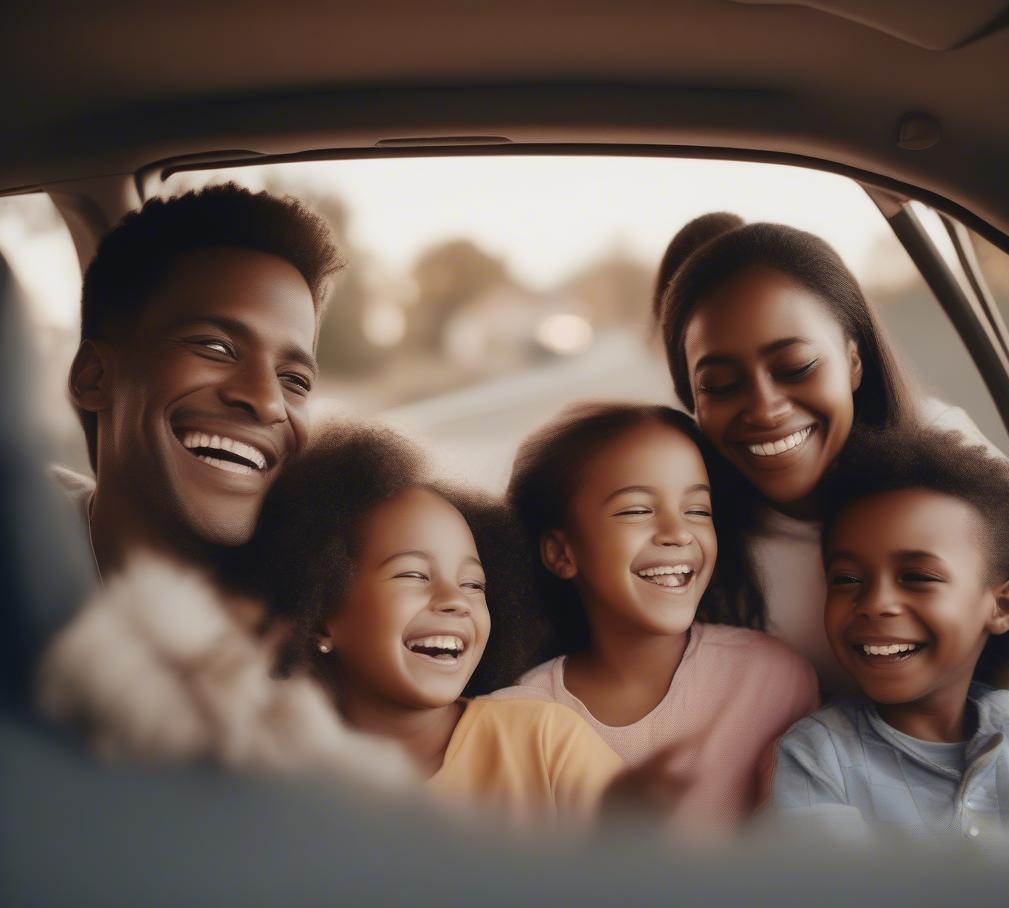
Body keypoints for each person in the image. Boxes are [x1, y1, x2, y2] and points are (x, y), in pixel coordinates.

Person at [657, 212, 1007, 696]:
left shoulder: (941, 451)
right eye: (719, 385)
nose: (764, 408)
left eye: (796, 367)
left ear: (854, 361)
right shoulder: (691, 530)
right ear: (692, 403)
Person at [236, 423, 626, 824]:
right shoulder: (273, 782)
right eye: (413, 575)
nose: (456, 600)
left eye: (474, 584)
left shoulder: (545, 741)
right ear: (316, 611)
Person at [488, 402, 818, 832]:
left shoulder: (772, 677)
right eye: (637, 510)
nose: (678, 533)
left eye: (697, 511)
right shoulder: (519, 721)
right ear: (561, 553)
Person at [61, 183, 343, 579]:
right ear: (95, 377)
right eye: (216, 346)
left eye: (294, 380)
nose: (267, 402)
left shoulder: (335, 613)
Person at [770, 425, 1009, 841]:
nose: (874, 603)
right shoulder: (819, 759)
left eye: (917, 576)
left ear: (1003, 606)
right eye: (847, 579)